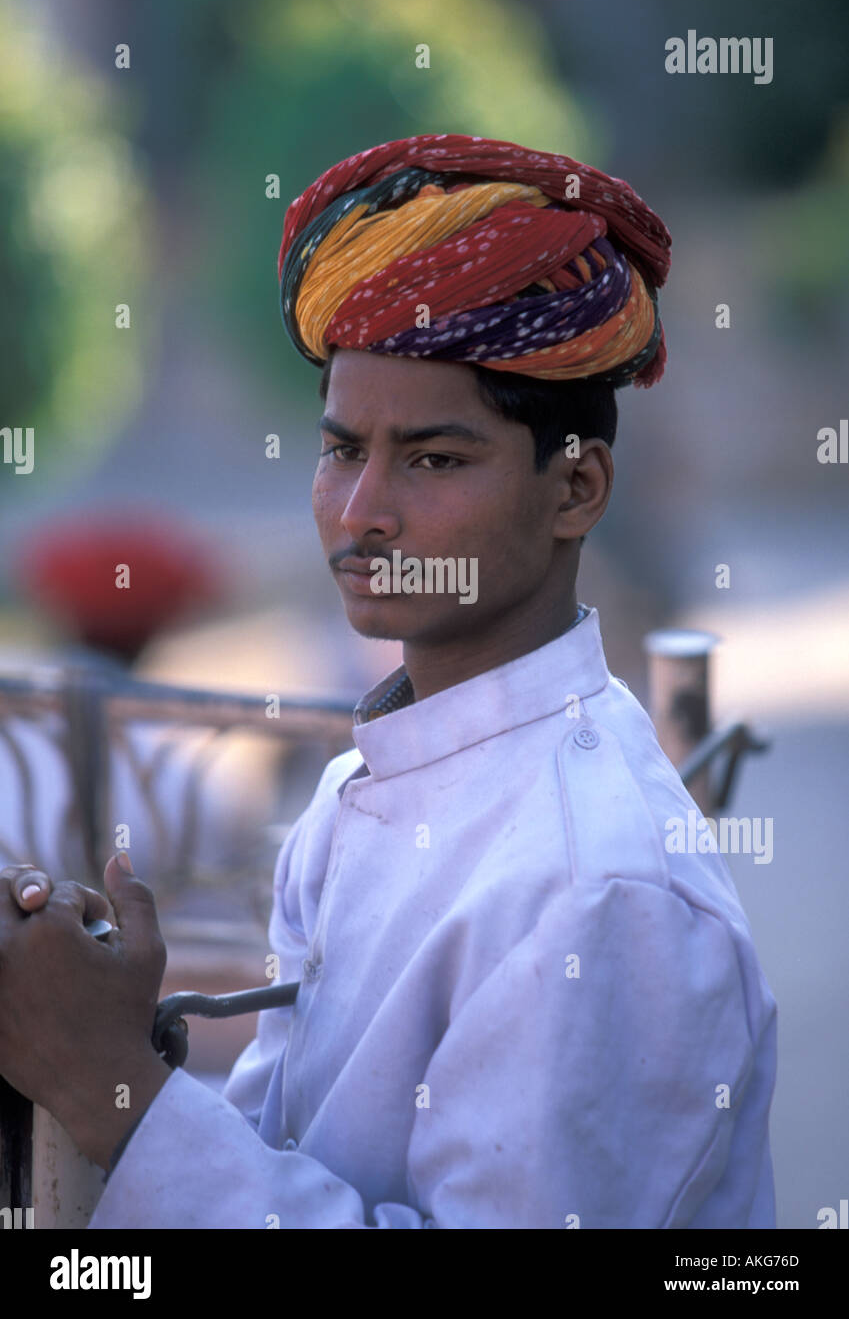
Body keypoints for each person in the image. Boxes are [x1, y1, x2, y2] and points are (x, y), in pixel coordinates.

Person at [0, 133, 776, 1228]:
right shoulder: (365, 786)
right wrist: (111, 1031)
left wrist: (111, 1090)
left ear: (578, 489)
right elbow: (289, 1158)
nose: (361, 510)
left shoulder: (602, 891)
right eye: (339, 449)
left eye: (434, 459)